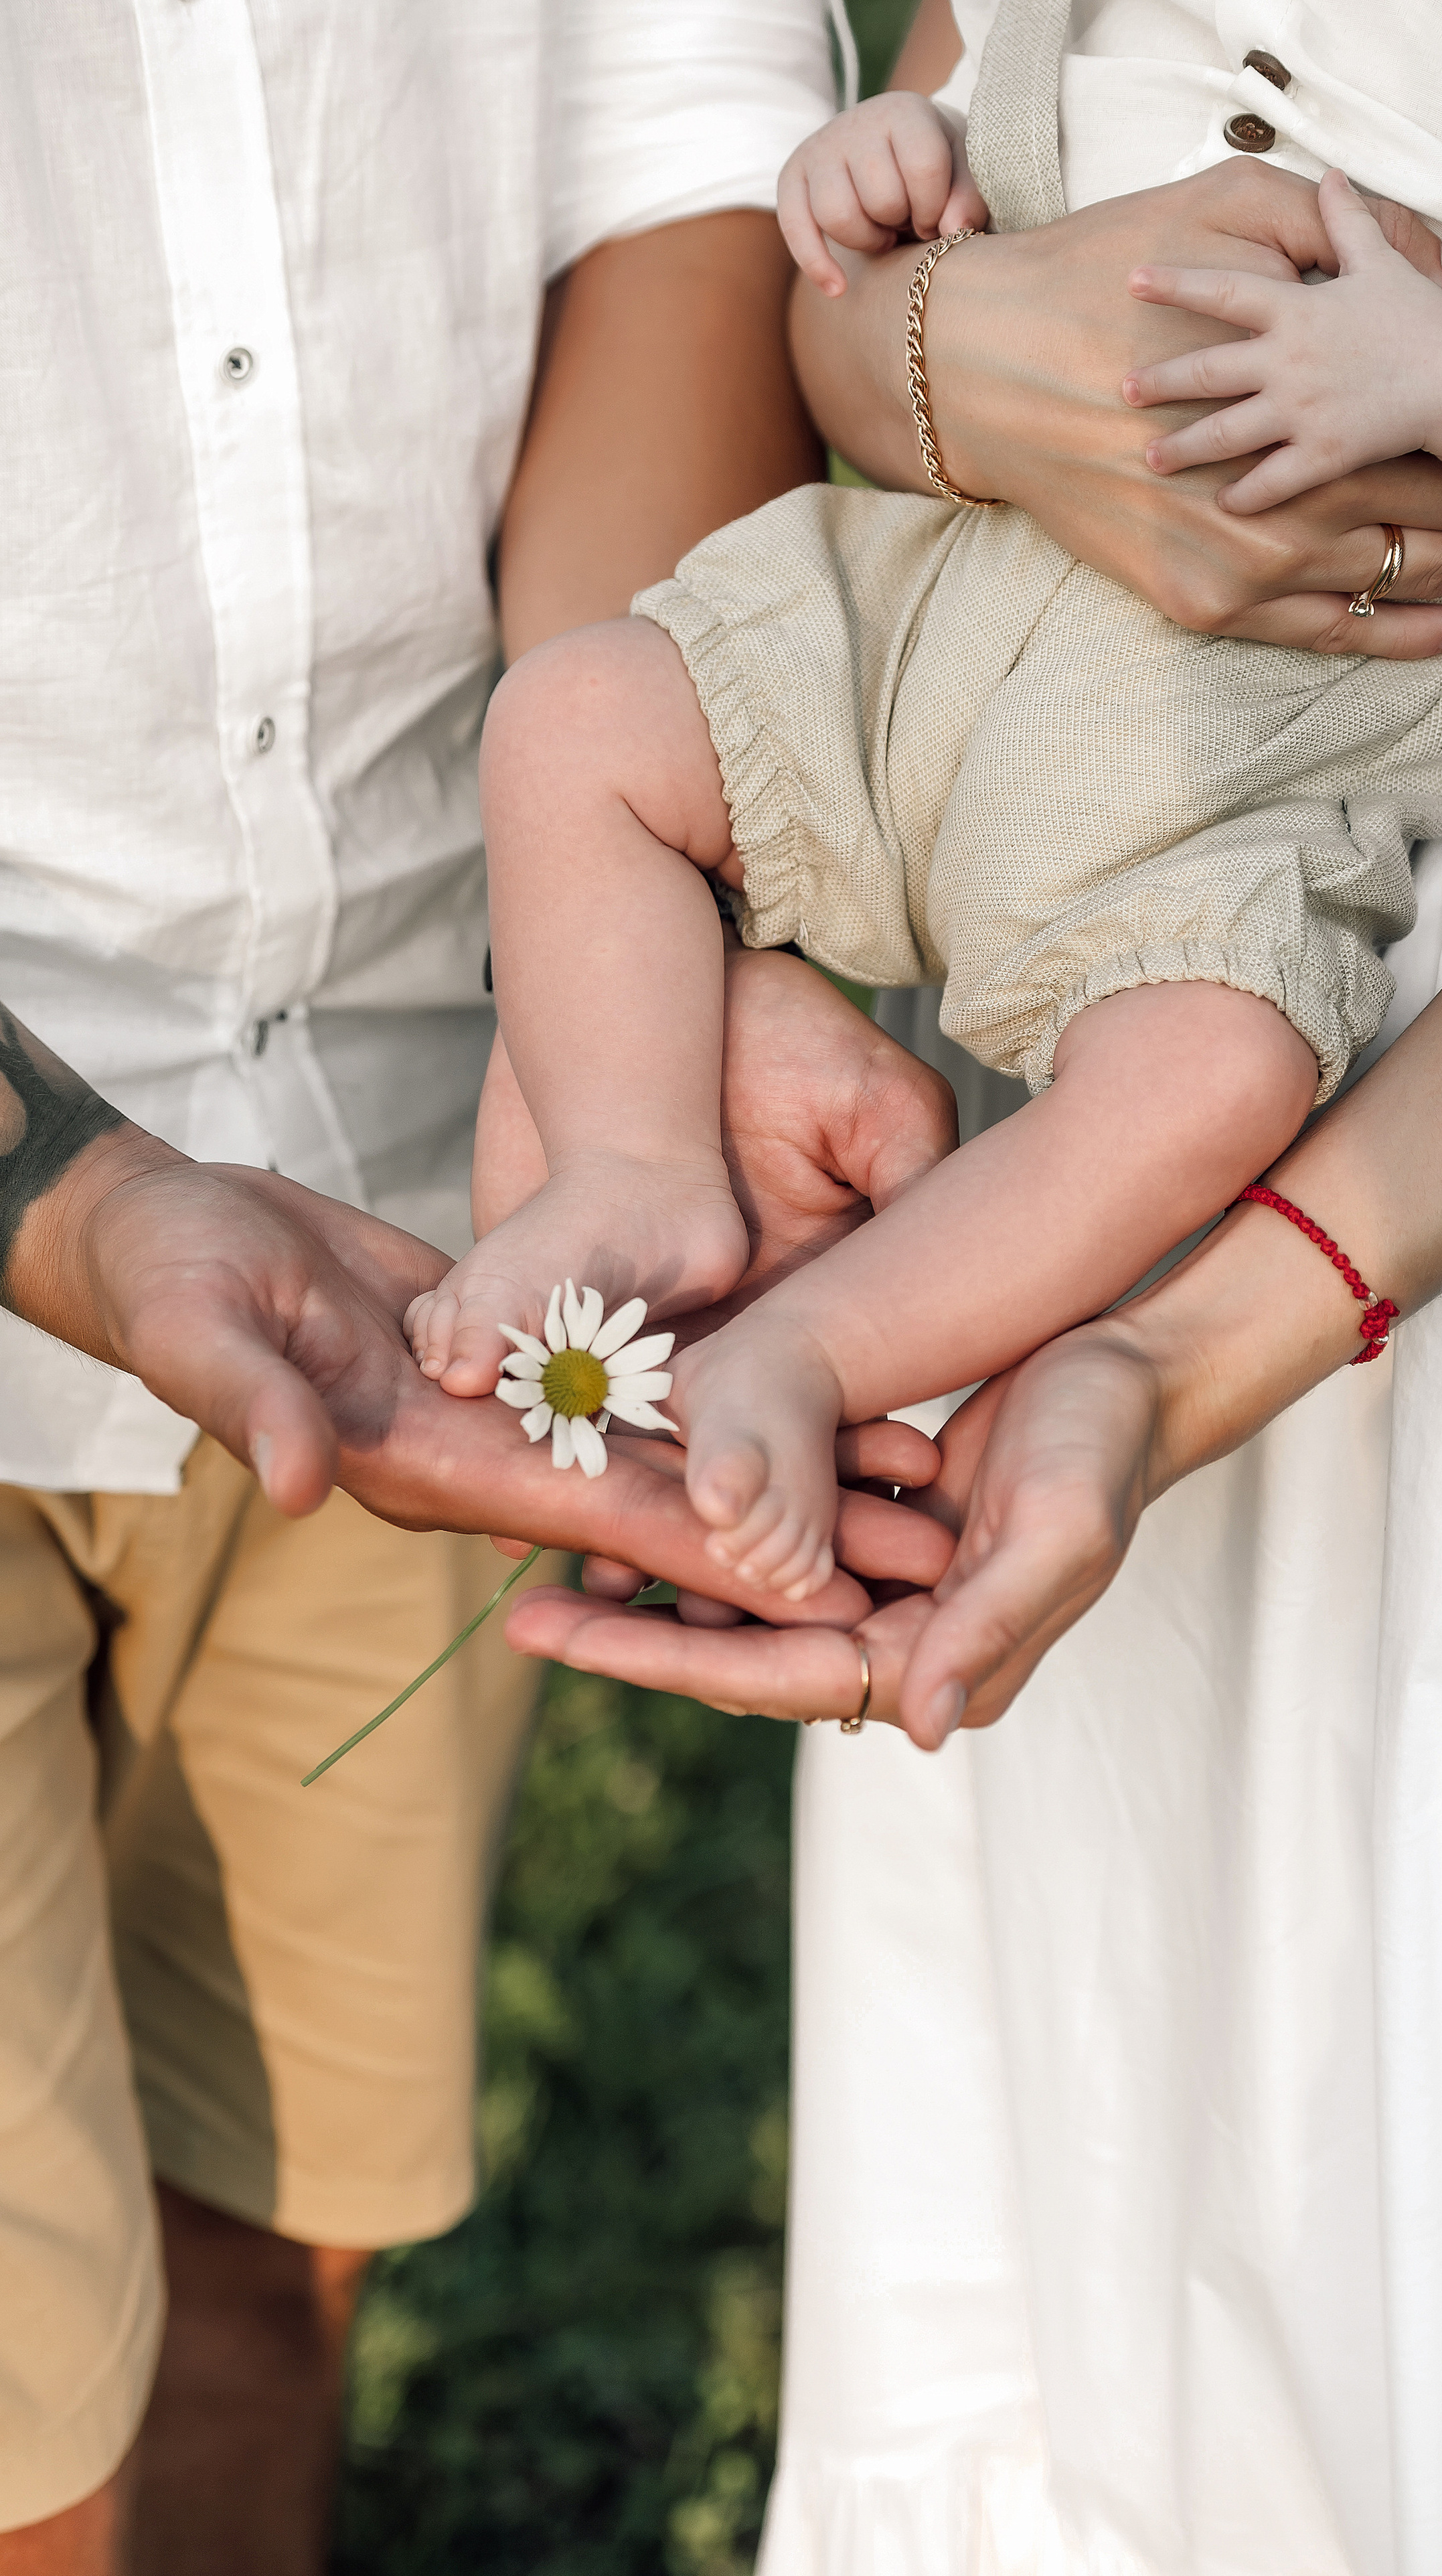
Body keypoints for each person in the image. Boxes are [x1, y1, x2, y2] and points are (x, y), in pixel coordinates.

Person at [518, 4, 1442, 2567]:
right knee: (1122, 2072)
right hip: (1035, 673)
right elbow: (899, 232)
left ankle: (808, 1335)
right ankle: (633, 1203)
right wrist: (910, 269)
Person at [0, 6, 863, 2565]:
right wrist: (67, 1193)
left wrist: (595, 982)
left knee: (276, 2232)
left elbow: (670, 175)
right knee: (21, 2436)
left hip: (411, 1169)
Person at [408, 5, 1442, 1608]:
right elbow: (910, 231)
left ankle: (818, 1346)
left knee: (1212, 1068)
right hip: (921, 631)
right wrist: (875, 177)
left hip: (1244, 759)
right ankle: (632, 1162)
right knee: (569, 718)